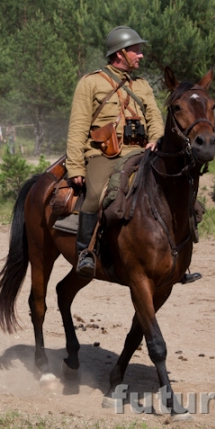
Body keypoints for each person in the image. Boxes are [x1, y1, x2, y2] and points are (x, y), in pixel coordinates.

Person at [60, 26, 164, 278]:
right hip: (104, 156)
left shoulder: (143, 85)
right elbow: (78, 127)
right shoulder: (91, 83)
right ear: (121, 53)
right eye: (136, 51)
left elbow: (155, 117)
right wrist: (75, 167)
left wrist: (157, 138)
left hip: (141, 152)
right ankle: (86, 252)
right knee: (95, 196)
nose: (140, 55)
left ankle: (174, 257)